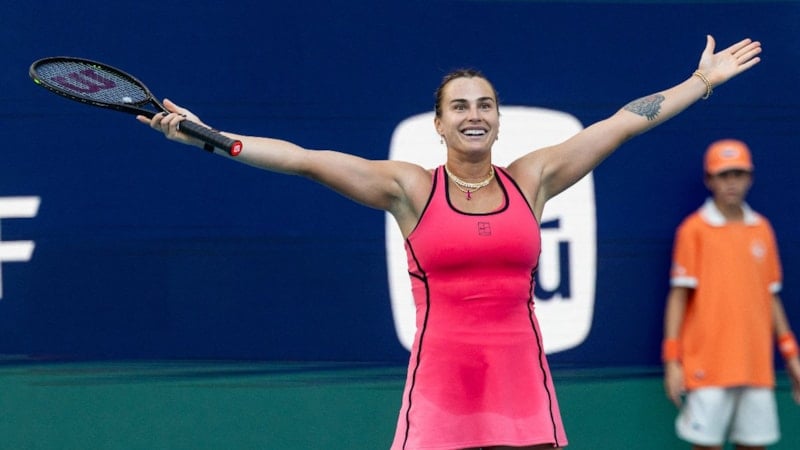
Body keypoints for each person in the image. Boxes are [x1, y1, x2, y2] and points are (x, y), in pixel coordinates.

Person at [141, 36, 761, 450]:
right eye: (459, 106)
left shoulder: (533, 179)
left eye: (485, 105)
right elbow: (305, 159)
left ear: (498, 120)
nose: (474, 114)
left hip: (522, 384)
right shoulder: (409, 188)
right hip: (441, 389)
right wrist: (212, 138)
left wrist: (700, 81)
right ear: (439, 124)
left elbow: (623, 123)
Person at [662, 139, 800, 450]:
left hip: (755, 366)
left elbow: (770, 296)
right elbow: (678, 297)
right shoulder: (694, 230)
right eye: (723, 175)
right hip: (708, 366)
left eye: (738, 174)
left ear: (749, 178)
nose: (731, 182)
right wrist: (672, 360)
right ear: (709, 180)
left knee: (754, 445)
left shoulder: (762, 229)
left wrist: (791, 356)